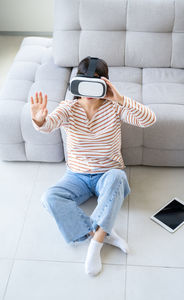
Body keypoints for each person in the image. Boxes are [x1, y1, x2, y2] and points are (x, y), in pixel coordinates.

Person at [31, 56, 157, 276]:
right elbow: (48, 125)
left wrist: (120, 98)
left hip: (108, 172)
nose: (89, 89)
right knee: (49, 197)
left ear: (104, 83)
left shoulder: (114, 108)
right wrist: (40, 120)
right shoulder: (68, 108)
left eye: (96, 82)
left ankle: (96, 244)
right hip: (76, 176)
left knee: (119, 178)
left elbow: (149, 120)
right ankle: (103, 231)